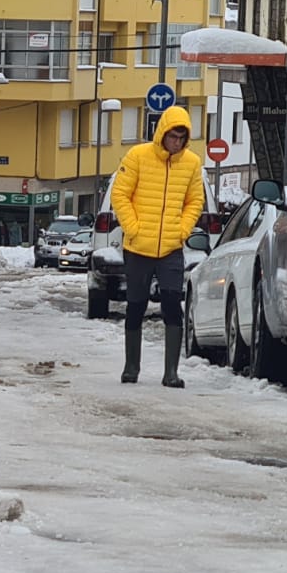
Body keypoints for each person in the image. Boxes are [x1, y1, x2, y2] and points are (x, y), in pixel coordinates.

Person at [109, 105, 206, 388]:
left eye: (181, 137)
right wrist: (134, 228)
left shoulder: (191, 163)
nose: (176, 142)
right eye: (173, 136)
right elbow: (120, 194)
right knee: (136, 305)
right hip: (139, 246)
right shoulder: (138, 156)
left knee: (172, 305)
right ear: (162, 133)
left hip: (171, 248)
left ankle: (171, 372)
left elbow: (194, 201)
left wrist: (181, 230)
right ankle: (131, 367)